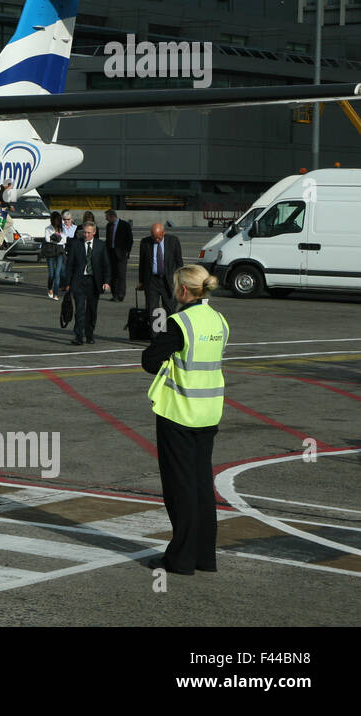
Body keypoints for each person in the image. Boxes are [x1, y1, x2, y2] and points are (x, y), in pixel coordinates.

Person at [141, 265, 229, 575]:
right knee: (202, 483)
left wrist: (158, 338)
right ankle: (205, 556)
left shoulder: (179, 323)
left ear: (182, 292)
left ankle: (181, 558)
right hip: (208, 411)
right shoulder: (219, 321)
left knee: (181, 488)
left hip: (179, 411)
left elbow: (150, 362)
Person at [62, 221, 110, 345]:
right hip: (79, 281)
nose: (86, 235)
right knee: (80, 310)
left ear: (94, 232)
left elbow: (106, 265)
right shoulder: (75, 244)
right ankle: (78, 336)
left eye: (89, 232)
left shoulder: (101, 245)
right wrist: (67, 283)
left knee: (92, 310)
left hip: (94, 282)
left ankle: (89, 334)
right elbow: (70, 265)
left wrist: (106, 282)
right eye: (84, 232)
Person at [138, 222, 184, 326]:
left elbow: (179, 262)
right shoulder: (145, 242)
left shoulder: (173, 241)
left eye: (158, 237)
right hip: (152, 281)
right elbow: (142, 263)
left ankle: (168, 335)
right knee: (153, 311)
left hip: (168, 281)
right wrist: (141, 281)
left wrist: (180, 281)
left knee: (170, 309)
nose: (156, 240)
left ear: (163, 233)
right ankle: (156, 339)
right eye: (154, 237)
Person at [103, 209, 134, 301]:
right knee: (112, 274)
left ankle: (121, 294)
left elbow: (130, 239)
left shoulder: (124, 225)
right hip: (110, 253)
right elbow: (108, 240)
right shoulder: (109, 226)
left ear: (112, 216)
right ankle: (114, 294)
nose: (106, 219)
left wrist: (127, 251)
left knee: (121, 275)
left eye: (107, 217)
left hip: (121, 254)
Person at [43, 210, 66, 300]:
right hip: (51, 251)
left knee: (57, 273)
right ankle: (49, 288)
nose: (57, 222)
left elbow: (64, 240)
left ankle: (56, 294)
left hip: (60, 251)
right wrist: (57, 238)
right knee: (51, 274)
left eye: (59, 220)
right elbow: (47, 239)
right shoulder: (48, 228)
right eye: (56, 220)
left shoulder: (62, 228)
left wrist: (55, 237)